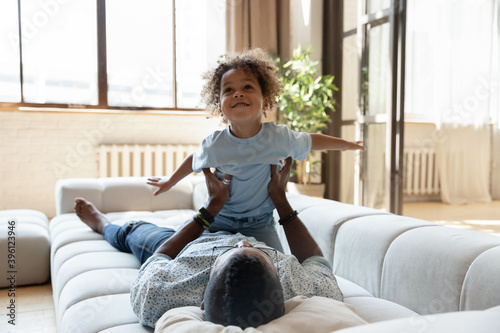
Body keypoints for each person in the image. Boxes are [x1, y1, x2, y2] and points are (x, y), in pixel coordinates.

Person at [74, 157, 343, 329]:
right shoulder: (308, 291)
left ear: (201, 303)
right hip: (253, 224)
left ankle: (102, 223)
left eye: (232, 251)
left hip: (187, 246)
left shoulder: (157, 299)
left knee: (134, 230)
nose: (240, 243)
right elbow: (315, 262)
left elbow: (160, 257)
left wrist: (210, 211)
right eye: (255, 251)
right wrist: (280, 199)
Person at [146, 49, 365, 252]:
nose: (237, 94)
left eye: (247, 87)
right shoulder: (215, 144)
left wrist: (345, 145)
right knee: (187, 258)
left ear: (266, 100)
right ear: (220, 106)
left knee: (279, 269)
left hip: (260, 223)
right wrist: (170, 181)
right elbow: (195, 159)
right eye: (228, 90)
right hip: (217, 220)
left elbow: (311, 141)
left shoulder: (279, 138)